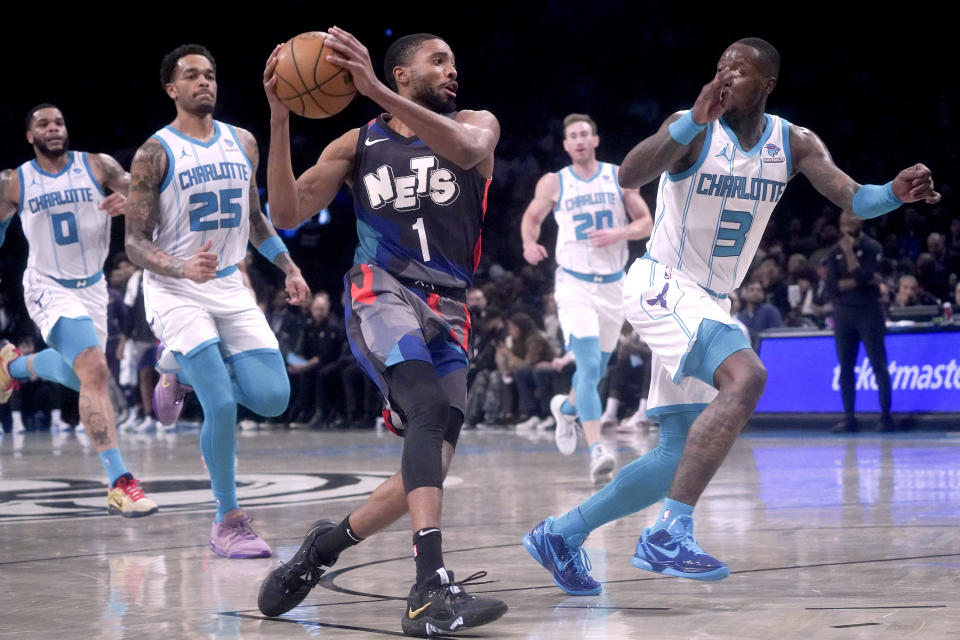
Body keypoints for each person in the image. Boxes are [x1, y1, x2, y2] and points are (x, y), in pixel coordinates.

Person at [523, 37, 940, 595]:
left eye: (737, 70)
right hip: (661, 284)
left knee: (675, 457)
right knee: (749, 375)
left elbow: (854, 198)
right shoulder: (693, 128)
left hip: (709, 300)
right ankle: (670, 531)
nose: (724, 77)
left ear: (766, 83)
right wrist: (690, 121)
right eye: (719, 67)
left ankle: (560, 535)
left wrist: (893, 192)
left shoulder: (794, 142)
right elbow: (629, 177)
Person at [256, 29, 507, 636]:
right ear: (402, 74)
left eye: (453, 60)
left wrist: (369, 89)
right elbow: (286, 213)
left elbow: (469, 150)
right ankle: (429, 587)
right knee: (424, 410)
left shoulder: (477, 123)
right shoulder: (358, 142)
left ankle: (323, 547)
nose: (452, 70)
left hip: (448, 305)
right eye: (438, 60)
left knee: (428, 466)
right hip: (380, 290)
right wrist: (281, 118)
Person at [123, 44, 310, 558]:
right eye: (191, 76)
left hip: (228, 285)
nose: (204, 82)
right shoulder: (154, 153)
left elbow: (254, 219)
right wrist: (180, 266)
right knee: (222, 404)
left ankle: (174, 367)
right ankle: (228, 520)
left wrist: (287, 266)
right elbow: (134, 243)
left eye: (209, 73)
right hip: (176, 288)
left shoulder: (243, 142)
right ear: (172, 89)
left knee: (274, 398)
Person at [0, 104, 158, 517]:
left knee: (83, 376)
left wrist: (130, 201)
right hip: (47, 287)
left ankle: (13, 368)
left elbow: (146, 198)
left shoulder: (97, 165)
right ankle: (121, 482)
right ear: (30, 136)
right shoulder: (15, 182)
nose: (53, 129)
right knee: (95, 371)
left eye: (58, 122)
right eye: (42, 124)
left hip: (93, 287)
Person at [520, 113, 652, 483]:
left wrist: (621, 232)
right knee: (590, 364)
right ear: (565, 145)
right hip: (574, 284)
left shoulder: (619, 175)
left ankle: (565, 408)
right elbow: (531, 218)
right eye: (572, 136)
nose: (578, 140)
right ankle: (597, 450)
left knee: (594, 371)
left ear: (595, 140)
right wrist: (529, 244)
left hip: (613, 285)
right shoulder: (554, 182)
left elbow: (646, 222)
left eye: (584, 134)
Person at [826, 211, 893, 433]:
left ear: (860, 221)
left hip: (868, 311)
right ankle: (849, 417)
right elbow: (832, 287)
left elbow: (868, 277)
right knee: (846, 367)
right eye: (842, 221)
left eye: (850, 221)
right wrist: (858, 280)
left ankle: (885, 416)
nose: (845, 225)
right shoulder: (834, 251)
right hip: (844, 313)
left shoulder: (873, 247)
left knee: (878, 364)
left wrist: (849, 255)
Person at [736, 279, 783, 346]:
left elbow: (777, 334)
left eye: (759, 290)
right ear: (744, 293)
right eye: (751, 290)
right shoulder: (740, 316)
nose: (755, 293)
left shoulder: (770, 310)